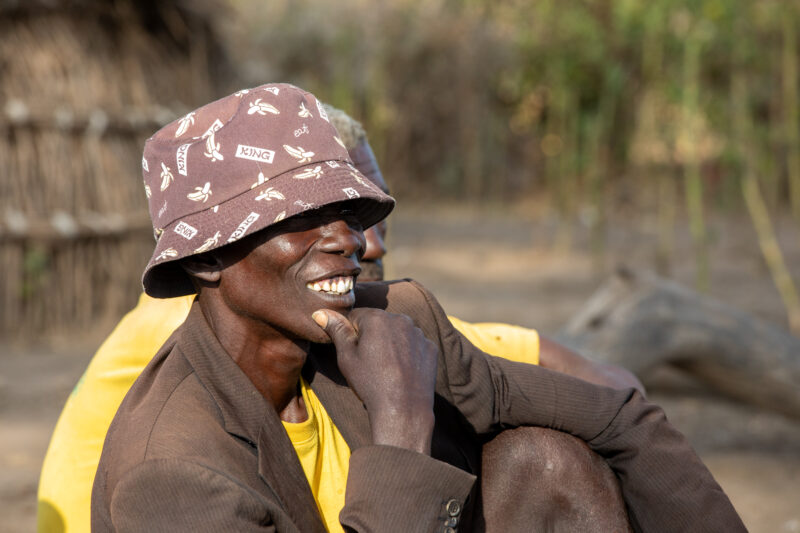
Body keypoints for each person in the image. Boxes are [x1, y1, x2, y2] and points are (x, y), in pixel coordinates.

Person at [88, 83, 743, 531]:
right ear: (206, 261)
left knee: (544, 462)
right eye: (300, 218)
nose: (348, 238)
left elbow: (621, 414)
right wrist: (400, 421)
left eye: (344, 211)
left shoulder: (395, 321)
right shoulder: (170, 473)